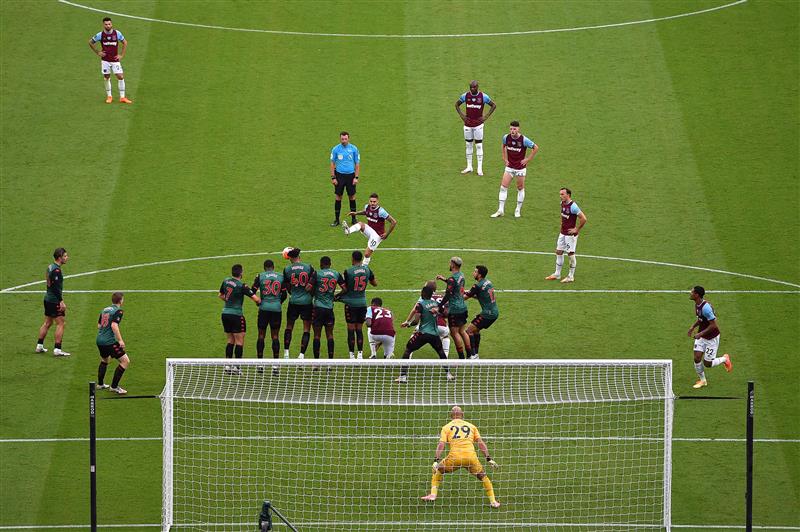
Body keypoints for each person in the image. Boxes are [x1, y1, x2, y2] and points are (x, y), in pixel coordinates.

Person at [421, 405, 500, 508]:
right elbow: (480, 443)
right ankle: (493, 501)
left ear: (451, 416)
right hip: (471, 458)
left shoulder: (446, 427)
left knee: (439, 470)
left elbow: (441, 444)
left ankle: (433, 494)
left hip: (455, 458)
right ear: (462, 415)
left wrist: (436, 460)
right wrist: (489, 459)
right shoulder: (471, 426)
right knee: (483, 477)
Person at [394, 282, 454, 383]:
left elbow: (416, 321)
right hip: (434, 334)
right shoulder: (436, 304)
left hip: (422, 334)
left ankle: (403, 376)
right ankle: (448, 374)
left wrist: (408, 324)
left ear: (423, 294)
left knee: (408, 350)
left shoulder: (420, 305)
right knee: (441, 352)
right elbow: (446, 314)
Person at [491, 121, 539, 218]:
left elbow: (536, 148)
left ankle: (517, 210)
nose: (512, 131)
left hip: (520, 169)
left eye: (514, 129)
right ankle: (500, 210)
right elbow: (503, 145)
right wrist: (504, 158)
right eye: (511, 129)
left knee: (520, 188)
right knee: (503, 187)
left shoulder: (524, 140)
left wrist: (528, 159)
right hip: (509, 167)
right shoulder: (506, 137)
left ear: (518, 129)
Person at [688, 286, 733, 388]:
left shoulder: (706, 308)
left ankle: (725, 359)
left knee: (708, 363)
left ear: (697, 295)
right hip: (702, 336)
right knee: (697, 358)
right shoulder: (697, 304)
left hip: (712, 338)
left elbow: (713, 325)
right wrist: (692, 327)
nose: (690, 293)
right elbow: (700, 319)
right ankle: (703, 380)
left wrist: (700, 334)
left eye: (692, 292)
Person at [219, 264, 260, 374]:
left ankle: (227, 366)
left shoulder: (226, 281)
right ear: (241, 273)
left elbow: (221, 295)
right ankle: (237, 367)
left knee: (230, 339)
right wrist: (260, 302)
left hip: (225, 314)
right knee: (239, 340)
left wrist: (230, 301)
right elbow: (256, 299)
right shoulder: (242, 286)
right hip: (236, 315)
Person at [336, 250, 377, 359]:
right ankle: (360, 354)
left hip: (350, 304)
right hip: (362, 304)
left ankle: (351, 356)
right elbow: (375, 283)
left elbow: (345, 289)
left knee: (351, 329)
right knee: (359, 329)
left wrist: (336, 296)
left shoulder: (348, 271)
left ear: (353, 259)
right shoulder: (367, 270)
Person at [545, 188, 588, 284]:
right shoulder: (562, 203)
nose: (560, 196)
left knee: (570, 254)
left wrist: (577, 229)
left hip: (570, 235)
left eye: (562, 194)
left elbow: (584, 218)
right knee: (559, 251)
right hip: (562, 233)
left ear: (568, 195)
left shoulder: (573, 206)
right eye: (560, 194)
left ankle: (570, 276)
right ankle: (557, 274)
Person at [342, 192, 397, 266]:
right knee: (361, 224)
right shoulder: (367, 206)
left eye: (374, 202)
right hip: (370, 230)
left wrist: (387, 234)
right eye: (371, 201)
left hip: (377, 235)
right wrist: (355, 213)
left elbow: (393, 222)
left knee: (367, 254)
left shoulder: (381, 211)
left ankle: (364, 268)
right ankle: (348, 231)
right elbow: (365, 212)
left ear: (378, 201)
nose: (372, 203)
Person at [252, 259, 287, 373]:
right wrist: (278, 303)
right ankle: (275, 366)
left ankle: (260, 364)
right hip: (276, 309)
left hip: (264, 309)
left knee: (261, 335)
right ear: (273, 266)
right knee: (275, 336)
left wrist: (258, 302)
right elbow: (285, 294)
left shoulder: (260, 276)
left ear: (264, 267)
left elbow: (252, 291)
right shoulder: (280, 276)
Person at [436, 256, 474, 359]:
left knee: (454, 333)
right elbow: (454, 283)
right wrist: (444, 279)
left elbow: (448, 294)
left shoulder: (453, 279)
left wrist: (439, 306)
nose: (449, 264)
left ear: (453, 264)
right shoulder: (461, 275)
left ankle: (461, 358)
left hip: (455, 310)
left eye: (450, 263)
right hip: (463, 307)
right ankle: (470, 355)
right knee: (462, 331)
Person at [455, 80, 496, 176]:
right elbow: (456, 104)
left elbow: (493, 105)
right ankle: (469, 167)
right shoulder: (465, 96)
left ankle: (479, 168)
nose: (472, 89)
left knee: (478, 145)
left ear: (477, 87)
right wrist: (462, 116)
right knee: (468, 144)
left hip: (478, 125)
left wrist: (485, 117)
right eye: (471, 87)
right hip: (468, 124)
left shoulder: (483, 97)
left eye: (474, 87)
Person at [88, 17, 132, 104]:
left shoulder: (117, 33)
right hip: (105, 60)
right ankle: (109, 96)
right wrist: (98, 52)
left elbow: (125, 42)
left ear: (111, 24)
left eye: (109, 24)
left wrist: (121, 55)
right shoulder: (100, 35)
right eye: (106, 24)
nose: (108, 26)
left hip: (115, 60)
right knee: (106, 77)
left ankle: (122, 97)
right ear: (103, 25)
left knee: (120, 76)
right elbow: (90, 42)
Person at [36, 247, 71, 357]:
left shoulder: (50, 267)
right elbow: (55, 287)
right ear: (59, 258)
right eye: (65, 256)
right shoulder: (56, 270)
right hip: (54, 300)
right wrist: (61, 301)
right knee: (61, 323)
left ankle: (39, 346)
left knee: (48, 322)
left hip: (47, 298)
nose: (67, 258)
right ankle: (57, 349)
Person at [403, 283, 451, 358]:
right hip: (439, 328)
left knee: (409, 347)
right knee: (445, 338)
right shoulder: (440, 299)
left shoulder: (422, 302)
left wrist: (408, 322)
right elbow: (446, 313)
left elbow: (415, 315)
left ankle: (407, 360)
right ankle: (446, 363)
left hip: (424, 331)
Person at [282, 248, 315, 359]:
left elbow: (287, 286)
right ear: (299, 256)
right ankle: (301, 355)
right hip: (307, 301)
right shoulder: (308, 267)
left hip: (294, 301)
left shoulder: (287, 269)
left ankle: (286, 353)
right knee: (306, 328)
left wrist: (293, 292)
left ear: (290, 258)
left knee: (289, 326)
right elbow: (313, 283)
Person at [308, 256, 342, 361]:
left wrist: (314, 294)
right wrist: (335, 296)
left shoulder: (317, 273)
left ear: (321, 264)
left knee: (317, 335)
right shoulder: (336, 274)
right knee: (330, 335)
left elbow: (308, 288)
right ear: (330, 264)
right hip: (329, 308)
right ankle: (330, 362)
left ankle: (316, 363)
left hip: (318, 308)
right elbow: (345, 288)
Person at [95, 292, 129, 394]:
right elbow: (114, 326)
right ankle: (114, 387)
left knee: (105, 360)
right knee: (125, 361)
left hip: (99, 340)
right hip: (109, 341)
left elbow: (99, 326)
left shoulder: (105, 310)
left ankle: (100, 384)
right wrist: (120, 340)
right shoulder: (118, 311)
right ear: (121, 300)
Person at [464, 265, 499, 359]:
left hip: (487, 314)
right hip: (494, 312)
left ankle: (473, 354)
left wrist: (456, 296)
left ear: (479, 275)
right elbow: (481, 295)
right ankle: (476, 354)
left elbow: (465, 297)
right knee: (476, 330)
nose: (473, 273)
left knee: (468, 331)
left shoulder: (477, 285)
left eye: (475, 272)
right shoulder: (488, 282)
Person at [329, 131, 360, 226]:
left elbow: (357, 164)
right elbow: (332, 163)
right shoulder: (335, 149)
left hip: (351, 176)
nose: (344, 140)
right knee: (338, 197)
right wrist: (333, 177)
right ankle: (337, 220)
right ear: (340, 139)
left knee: (352, 197)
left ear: (348, 138)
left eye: (345, 139)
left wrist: (356, 177)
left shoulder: (354, 149)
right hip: (339, 176)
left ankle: (354, 219)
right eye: (342, 139)